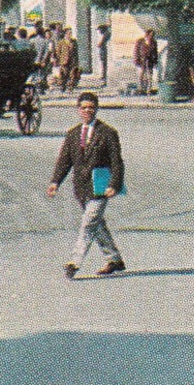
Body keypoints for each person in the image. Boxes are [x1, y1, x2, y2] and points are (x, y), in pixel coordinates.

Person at [45, 93, 126, 279]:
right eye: (84, 107)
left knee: (88, 223)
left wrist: (114, 184)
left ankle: (74, 262)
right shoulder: (73, 134)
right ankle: (114, 259)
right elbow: (64, 161)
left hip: (100, 186)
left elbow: (117, 162)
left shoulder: (107, 132)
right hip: (81, 188)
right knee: (96, 224)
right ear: (78, 110)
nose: (87, 110)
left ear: (96, 109)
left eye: (91, 107)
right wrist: (55, 182)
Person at [51, 27, 75, 94]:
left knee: (72, 75)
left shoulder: (73, 41)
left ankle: (70, 88)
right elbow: (58, 52)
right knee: (64, 75)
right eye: (68, 33)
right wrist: (57, 60)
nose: (70, 34)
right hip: (63, 61)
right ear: (65, 34)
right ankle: (63, 86)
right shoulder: (61, 42)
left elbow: (76, 52)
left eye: (70, 33)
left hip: (72, 61)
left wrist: (76, 61)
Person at [135, 29, 159, 94]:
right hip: (142, 61)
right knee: (141, 75)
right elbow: (136, 51)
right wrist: (137, 60)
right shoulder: (140, 41)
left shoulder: (154, 42)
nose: (151, 36)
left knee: (150, 75)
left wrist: (155, 61)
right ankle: (141, 89)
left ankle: (149, 89)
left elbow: (155, 52)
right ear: (147, 34)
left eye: (153, 35)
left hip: (150, 61)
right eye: (150, 35)